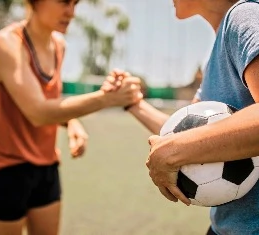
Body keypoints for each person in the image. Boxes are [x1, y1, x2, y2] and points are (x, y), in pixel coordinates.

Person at [0, 0, 143, 234]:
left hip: (46, 166)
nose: (71, 12)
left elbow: (48, 99)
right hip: (4, 170)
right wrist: (107, 98)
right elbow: (38, 112)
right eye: (63, 2)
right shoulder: (7, 44)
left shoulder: (58, 45)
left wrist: (71, 122)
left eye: (75, 3)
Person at [104, 0, 259, 234]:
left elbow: (182, 142)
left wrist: (174, 150)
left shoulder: (245, 17)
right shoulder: (220, 44)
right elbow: (187, 134)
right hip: (224, 227)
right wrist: (132, 103)